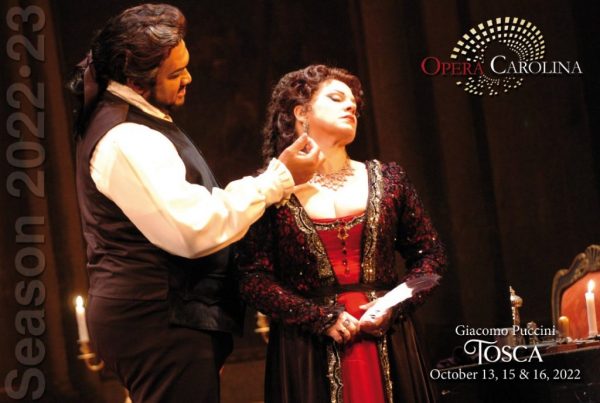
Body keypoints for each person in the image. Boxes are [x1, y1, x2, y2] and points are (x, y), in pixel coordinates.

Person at [68, 4, 321, 402]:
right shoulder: (125, 138)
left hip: (171, 319)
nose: (188, 78)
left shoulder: (138, 119)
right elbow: (194, 228)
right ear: (135, 81)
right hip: (157, 320)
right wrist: (278, 179)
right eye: (175, 73)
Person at [235, 65, 447, 403]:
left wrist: (393, 304)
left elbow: (431, 258)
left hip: (389, 341)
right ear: (301, 113)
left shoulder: (390, 180)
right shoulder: (270, 190)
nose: (350, 106)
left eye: (354, 104)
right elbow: (252, 278)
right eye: (336, 98)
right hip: (307, 352)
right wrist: (318, 318)